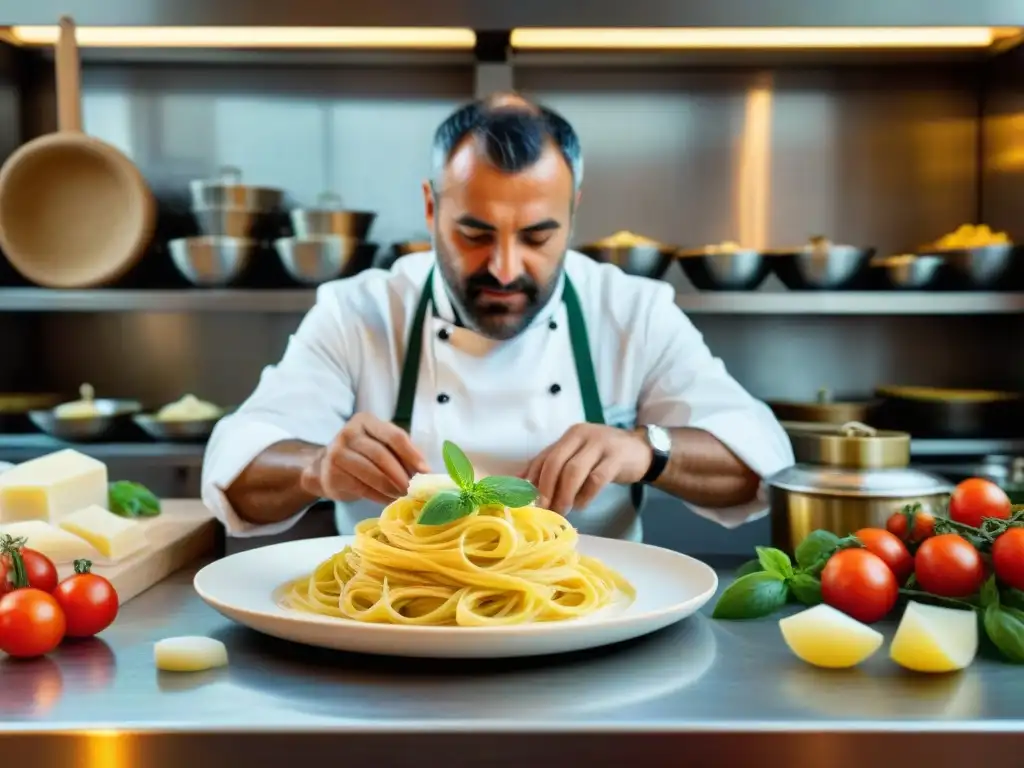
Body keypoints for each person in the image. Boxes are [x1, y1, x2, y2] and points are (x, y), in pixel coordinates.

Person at [201, 92, 794, 544]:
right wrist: (315, 469)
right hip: (395, 627)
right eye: (474, 233)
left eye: (538, 236)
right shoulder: (358, 312)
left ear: (573, 210)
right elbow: (237, 469)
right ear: (431, 207)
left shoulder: (632, 310)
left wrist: (647, 450)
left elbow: (760, 463)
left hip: (589, 629)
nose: (506, 269)